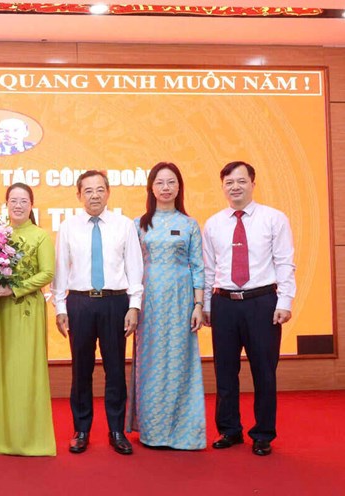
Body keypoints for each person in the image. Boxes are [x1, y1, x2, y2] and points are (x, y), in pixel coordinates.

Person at [202, 161, 295, 457]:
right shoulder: (214, 223)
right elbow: (207, 269)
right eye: (229, 182)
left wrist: (285, 302)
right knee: (225, 371)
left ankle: (263, 433)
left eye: (241, 181)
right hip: (224, 303)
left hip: (262, 303)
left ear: (253, 183)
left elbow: (284, 263)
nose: (235, 187)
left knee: (264, 371)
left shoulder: (274, 219)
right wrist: (206, 305)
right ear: (223, 187)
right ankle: (229, 430)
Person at [52, 170, 143, 456]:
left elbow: (134, 268)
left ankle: (116, 430)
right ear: (79, 195)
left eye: (100, 189)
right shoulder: (68, 227)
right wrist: (60, 307)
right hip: (80, 303)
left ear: (108, 192)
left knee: (116, 369)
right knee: (81, 370)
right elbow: (60, 270)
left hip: (115, 303)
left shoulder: (124, 225)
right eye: (88, 190)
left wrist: (134, 305)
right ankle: (81, 430)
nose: (94, 195)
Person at [126, 162, 206, 450]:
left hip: (181, 301)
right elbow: (131, 268)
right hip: (148, 304)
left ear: (179, 187)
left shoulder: (189, 224)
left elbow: (198, 267)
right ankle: (153, 430)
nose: (166, 188)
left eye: (171, 182)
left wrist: (199, 304)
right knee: (151, 365)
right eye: (159, 183)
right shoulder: (138, 224)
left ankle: (184, 431)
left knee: (181, 363)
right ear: (151, 188)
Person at [0, 183, 56, 456]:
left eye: (23, 200)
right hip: (1, 311)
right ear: (6, 204)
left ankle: (28, 437)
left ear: (32, 205)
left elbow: (47, 273)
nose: (18, 205)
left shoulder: (40, 236)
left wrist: (13, 288)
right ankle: (1, 435)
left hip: (26, 310)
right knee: (3, 370)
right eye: (13, 200)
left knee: (24, 371)